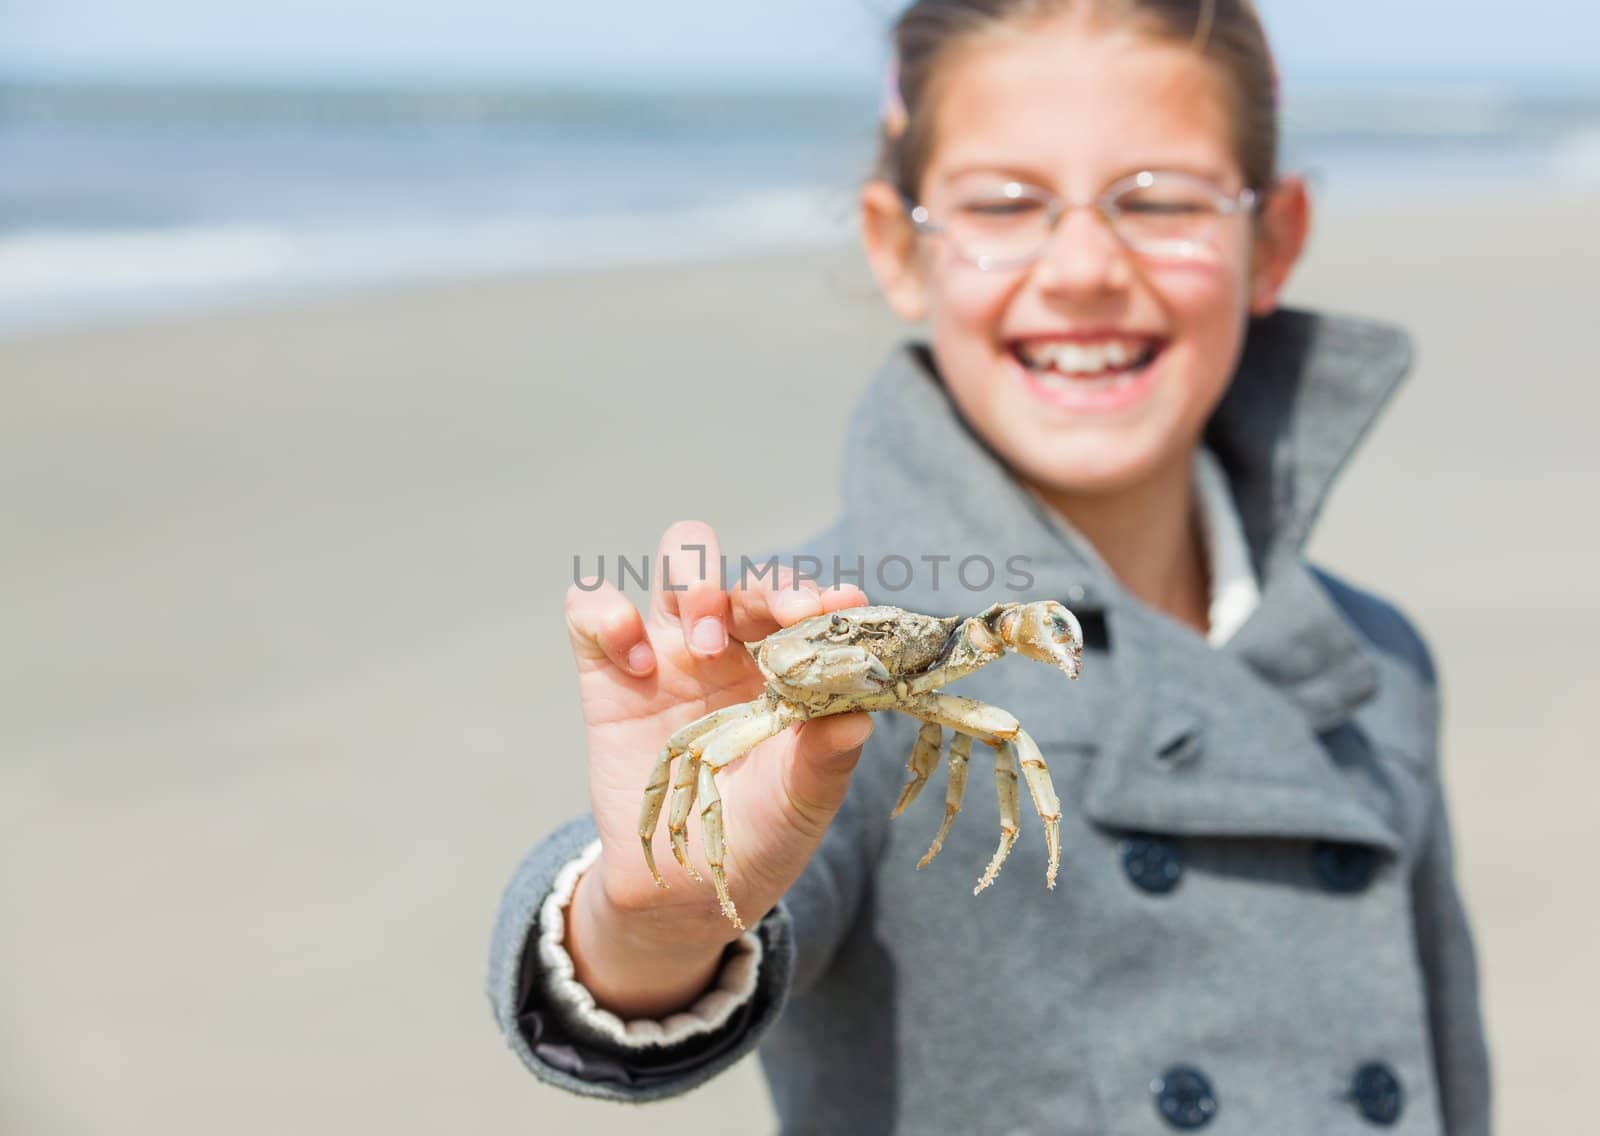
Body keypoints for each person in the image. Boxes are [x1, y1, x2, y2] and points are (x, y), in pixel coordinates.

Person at [487, 1, 1492, 1131]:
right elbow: (661, 925)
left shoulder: (1373, 660)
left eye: (1159, 199)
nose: (1081, 266)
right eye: (1004, 204)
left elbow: (1446, 1061)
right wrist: (658, 917)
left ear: (1276, 236)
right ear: (894, 245)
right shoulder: (798, 630)